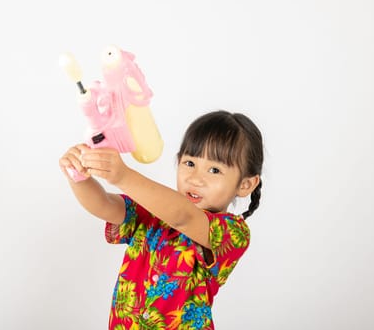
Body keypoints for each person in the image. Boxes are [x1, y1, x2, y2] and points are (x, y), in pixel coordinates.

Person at [58, 110, 264, 329]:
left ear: (245, 185)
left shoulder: (233, 233)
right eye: (190, 163)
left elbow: (183, 216)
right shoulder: (152, 211)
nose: (195, 179)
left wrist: (123, 176)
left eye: (214, 170)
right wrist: (78, 176)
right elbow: (104, 205)